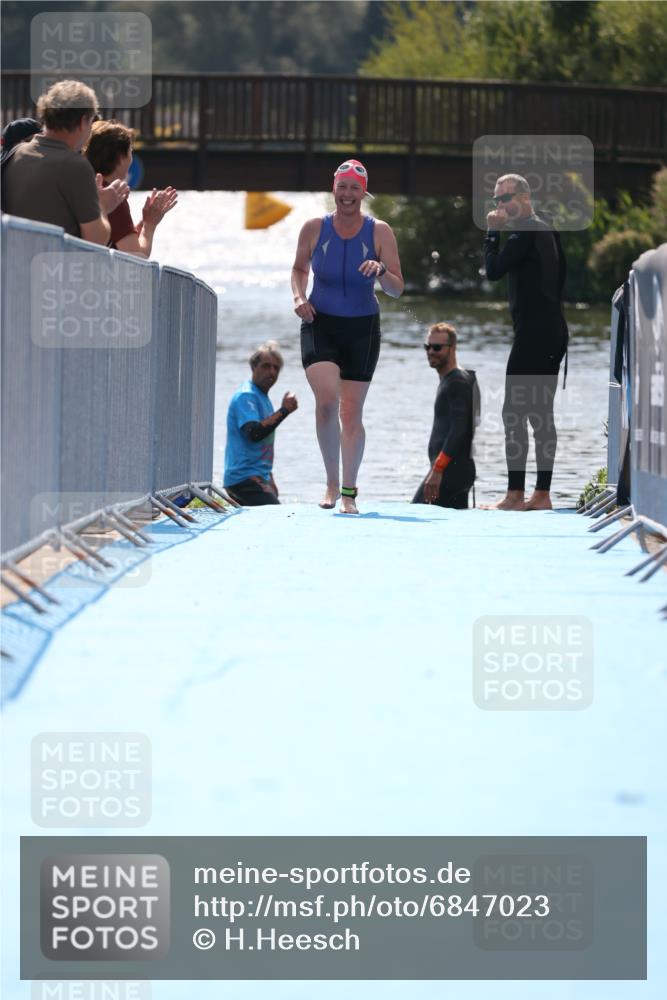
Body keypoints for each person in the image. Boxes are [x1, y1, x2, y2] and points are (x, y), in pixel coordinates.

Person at [291, 159, 404, 514]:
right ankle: (330, 483)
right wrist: (299, 297)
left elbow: (397, 289)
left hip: (362, 328)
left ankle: (349, 493)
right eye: (343, 187)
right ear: (334, 189)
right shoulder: (313, 228)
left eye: (355, 188)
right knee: (327, 399)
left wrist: (381, 269)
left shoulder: (379, 231)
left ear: (363, 192)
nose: (348, 194)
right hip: (319, 321)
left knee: (351, 414)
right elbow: (298, 269)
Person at [484, 173, 568, 511]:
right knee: (540, 414)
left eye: (507, 198)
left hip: (535, 335)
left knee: (513, 414)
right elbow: (562, 277)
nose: (501, 205)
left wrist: (492, 232)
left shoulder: (525, 232)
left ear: (526, 197)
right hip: (552, 332)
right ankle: (542, 495)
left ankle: (516, 495)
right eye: (497, 200)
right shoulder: (544, 228)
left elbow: (493, 270)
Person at [1, 80, 128, 244]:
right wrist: (103, 206)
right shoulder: (76, 166)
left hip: (10, 265)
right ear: (83, 122)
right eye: (91, 122)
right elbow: (96, 241)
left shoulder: (15, 153)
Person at [84, 119, 178, 257]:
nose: (131, 158)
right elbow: (136, 258)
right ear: (121, 157)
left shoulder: (85, 187)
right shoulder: (113, 197)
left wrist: (140, 226)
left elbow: (116, 241)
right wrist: (150, 226)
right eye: (130, 152)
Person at [224, 341, 298, 506]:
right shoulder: (246, 396)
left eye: (276, 368)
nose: (271, 372)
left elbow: (263, 446)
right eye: (266, 366)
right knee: (275, 516)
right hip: (243, 479)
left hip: (258, 477)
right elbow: (254, 433)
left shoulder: (262, 398)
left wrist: (270, 478)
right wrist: (284, 411)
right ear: (253, 367)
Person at [412, 323, 478, 509]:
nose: (431, 351)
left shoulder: (457, 381)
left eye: (437, 347)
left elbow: (460, 430)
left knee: (416, 514)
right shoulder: (455, 379)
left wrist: (438, 469)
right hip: (455, 471)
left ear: (453, 348)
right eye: (428, 346)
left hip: (450, 472)